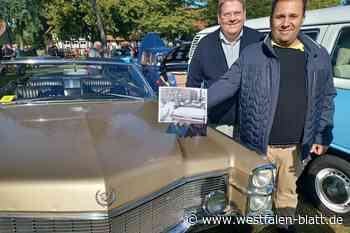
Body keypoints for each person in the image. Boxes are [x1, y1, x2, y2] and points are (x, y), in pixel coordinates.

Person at [207, 0, 336, 232]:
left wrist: (321, 135)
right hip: (257, 147)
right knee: (255, 200)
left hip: (294, 149)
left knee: (286, 197)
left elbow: (326, 97)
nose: (286, 23)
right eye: (280, 17)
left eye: (293, 16)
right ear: (271, 19)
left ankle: (284, 226)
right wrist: (190, 106)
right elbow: (225, 85)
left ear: (302, 19)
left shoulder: (318, 55)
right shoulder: (253, 54)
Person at [186, 0, 263, 127]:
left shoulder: (259, 41)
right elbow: (192, 84)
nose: (232, 18)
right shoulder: (205, 45)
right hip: (216, 124)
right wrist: (190, 117)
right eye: (227, 14)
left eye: (237, 13)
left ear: (244, 15)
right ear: (219, 18)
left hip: (251, 124)